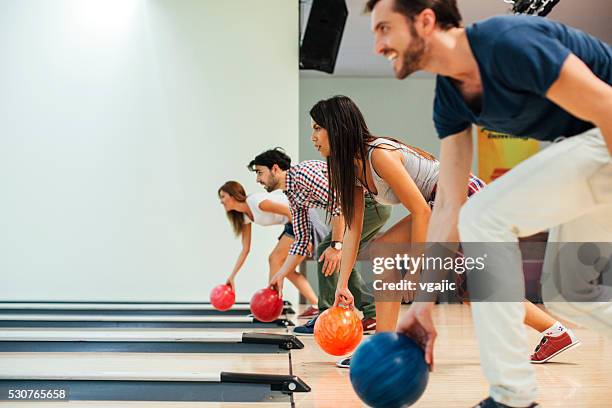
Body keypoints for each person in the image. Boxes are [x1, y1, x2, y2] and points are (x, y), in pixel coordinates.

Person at [366, 0, 612, 407]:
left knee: (485, 215)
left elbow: (605, 106)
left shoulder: (507, 43)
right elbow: (448, 204)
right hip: (593, 144)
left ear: (425, 21)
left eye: (384, 29)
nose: (378, 45)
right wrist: (424, 305)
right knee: (573, 296)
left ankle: (512, 395)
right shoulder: (450, 97)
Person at [310, 94, 577, 368]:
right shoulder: (348, 168)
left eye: (318, 128)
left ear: (337, 126)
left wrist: (414, 271)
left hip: (461, 195)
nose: (313, 137)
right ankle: (555, 332)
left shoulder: (378, 155)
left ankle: (384, 346)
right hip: (440, 203)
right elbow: (353, 227)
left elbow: (421, 211)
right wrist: (342, 284)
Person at [248, 148, 391, 335]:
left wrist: (336, 246)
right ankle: (372, 314)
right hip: (358, 208)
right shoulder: (293, 195)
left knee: (328, 250)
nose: (258, 179)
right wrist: (281, 273)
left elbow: (338, 203)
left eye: (260, 172)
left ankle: (326, 316)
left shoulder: (303, 174)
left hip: (371, 205)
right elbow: (302, 240)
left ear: (275, 169)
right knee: (338, 259)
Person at [218, 180, 320, 319]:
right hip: (291, 222)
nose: (221, 201)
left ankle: (272, 304)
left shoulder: (256, 202)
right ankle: (316, 305)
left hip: (300, 216)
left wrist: (304, 238)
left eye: (223, 196)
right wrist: (232, 276)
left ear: (232, 194)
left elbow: (291, 212)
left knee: (274, 259)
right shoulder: (245, 217)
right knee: (286, 270)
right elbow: (245, 249)